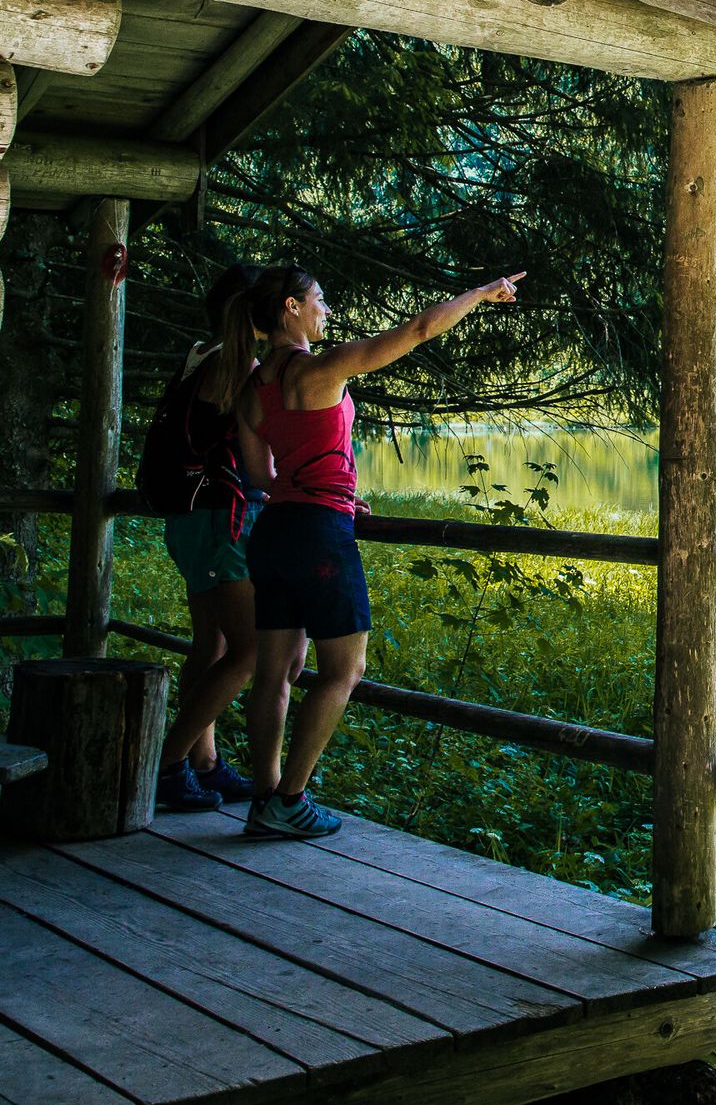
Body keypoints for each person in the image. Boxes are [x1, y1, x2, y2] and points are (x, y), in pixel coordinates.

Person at [218, 265, 525, 840]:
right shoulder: (320, 370)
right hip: (318, 533)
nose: (326, 311)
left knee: (274, 672)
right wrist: (482, 293)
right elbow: (417, 330)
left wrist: (318, 487)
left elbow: (261, 476)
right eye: (320, 300)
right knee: (345, 670)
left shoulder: (251, 391)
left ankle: (264, 798)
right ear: (291, 308)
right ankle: (290, 800)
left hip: (276, 530)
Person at [139, 264, 267, 811]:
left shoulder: (201, 354)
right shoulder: (236, 366)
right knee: (251, 650)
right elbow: (258, 455)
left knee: (211, 644)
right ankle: (167, 764)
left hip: (196, 521)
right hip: (221, 522)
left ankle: (205, 764)